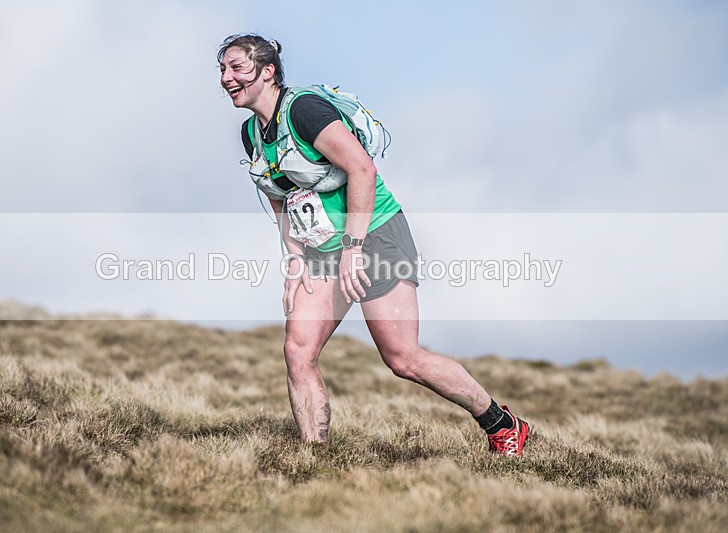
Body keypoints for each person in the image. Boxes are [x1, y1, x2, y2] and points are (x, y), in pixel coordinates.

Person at [217, 34, 530, 457]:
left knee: (402, 358)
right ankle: (315, 460)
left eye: (236, 68)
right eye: (222, 70)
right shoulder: (252, 132)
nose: (226, 78)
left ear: (267, 70)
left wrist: (353, 247)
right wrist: (294, 260)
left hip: (375, 233)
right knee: (298, 349)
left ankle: (502, 424)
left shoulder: (305, 111)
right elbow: (281, 196)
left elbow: (362, 170)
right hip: (321, 248)